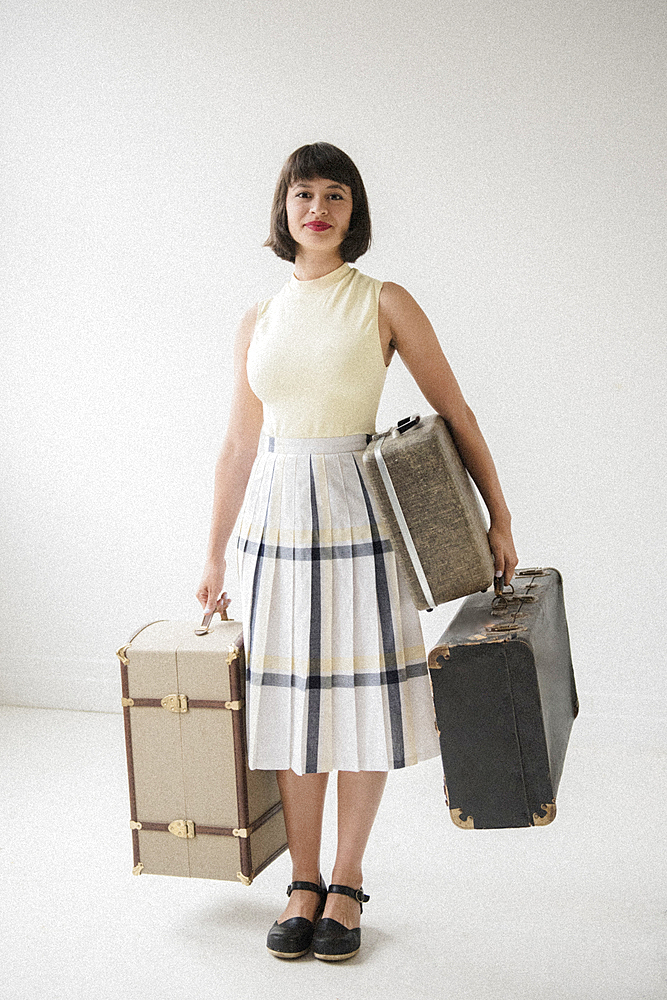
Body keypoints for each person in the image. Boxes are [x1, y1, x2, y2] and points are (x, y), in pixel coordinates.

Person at [197, 142, 518, 962]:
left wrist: (499, 517)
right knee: (292, 705)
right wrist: (212, 558)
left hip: (359, 514)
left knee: (359, 703)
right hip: (276, 520)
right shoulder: (257, 319)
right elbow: (237, 446)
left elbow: (456, 413)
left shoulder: (382, 302)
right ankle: (300, 882)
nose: (318, 208)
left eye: (335, 195)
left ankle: (345, 878)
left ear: (352, 213)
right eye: (303, 193)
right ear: (282, 210)